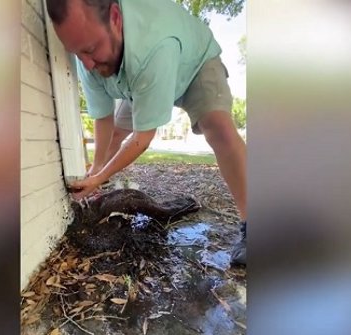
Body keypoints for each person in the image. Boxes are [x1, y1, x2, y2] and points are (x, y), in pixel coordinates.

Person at [46, 0, 247, 264]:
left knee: (218, 128)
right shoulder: (89, 59)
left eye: (91, 49)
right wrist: (96, 172)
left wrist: (101, 175)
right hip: (136, 75)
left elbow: (142, 138)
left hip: (194, 64)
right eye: (76, 52)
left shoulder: (154, 44)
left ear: (115, 18)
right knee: (116, 134)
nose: (87, 64)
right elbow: (104, 119)